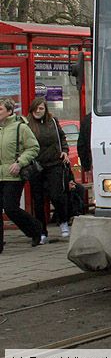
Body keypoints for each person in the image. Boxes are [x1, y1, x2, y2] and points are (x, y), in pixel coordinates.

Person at [0, 98, 43, 252]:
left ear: (10, 111)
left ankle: (35, 229)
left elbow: (33, 148)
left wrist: (19, 163)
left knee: (10, 208)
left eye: (0, 109)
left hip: (14, 175)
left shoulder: (20, 128)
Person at [26, 97, 70, 242]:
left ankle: (63, 221)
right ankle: (41, 231)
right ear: (31, 109)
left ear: (45, 109)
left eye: (41, 108)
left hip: (54, 163)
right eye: (36, 108)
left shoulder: (52, 121)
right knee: (38, 200)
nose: (38, 111)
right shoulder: (27, 124)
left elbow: (62, 137)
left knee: (56, 195)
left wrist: (64, 150)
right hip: (36, 165)